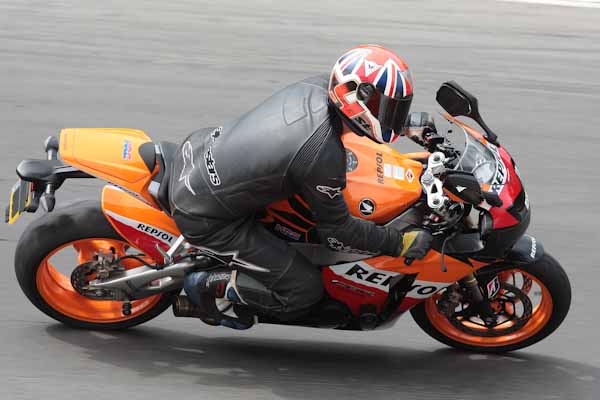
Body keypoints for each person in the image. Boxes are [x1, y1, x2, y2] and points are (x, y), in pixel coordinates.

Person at [169, 44, 433, 329]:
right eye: (388, 108)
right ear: (356, 95)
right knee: (303, 291)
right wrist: (398, 242)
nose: (391, 114)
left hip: (199, 152)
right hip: (209, 218)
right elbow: (339, 230)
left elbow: (361, 116)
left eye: (395, 109)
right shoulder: (321, 154)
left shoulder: (319, 86)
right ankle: (206, 286)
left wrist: (403, 125)